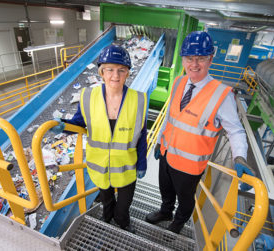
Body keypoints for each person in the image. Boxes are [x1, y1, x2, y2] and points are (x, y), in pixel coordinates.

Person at [146, 31, 255, 234]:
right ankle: (165, 211)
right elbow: (171, 116)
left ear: (211, 59)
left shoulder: (222, 95)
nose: (194, 64)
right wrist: (160, 141)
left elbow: (236, 131)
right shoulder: (179, 82)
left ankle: (177, 224)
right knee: (166, 190)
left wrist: (239, 157)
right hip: (167, 153)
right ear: (183, 59)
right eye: (189, 58)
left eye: (201, 58)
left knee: (185, 199)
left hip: (190, 166)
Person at [51, 44, 148, 233]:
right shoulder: (88, 96)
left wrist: (142, 163)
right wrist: (64, 125)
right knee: (106, 198)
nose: (115, 75)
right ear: (101, 72)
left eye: (121, 70)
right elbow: (79, 124)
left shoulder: (138, 100)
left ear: (128, 73)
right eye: (109, 69)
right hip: (100, 165)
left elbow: (141, 136)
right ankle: (106, 216)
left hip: (126, 166)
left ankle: (122, 221)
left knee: (124, 204)